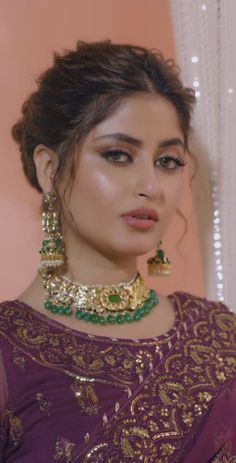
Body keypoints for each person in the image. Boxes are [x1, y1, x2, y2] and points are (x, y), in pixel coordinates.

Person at [0, 40, 235, 463]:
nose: (150, 185)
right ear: (50, 169)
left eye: (168, 161)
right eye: (118, 155)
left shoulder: (220, 337)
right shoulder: (7, 353)